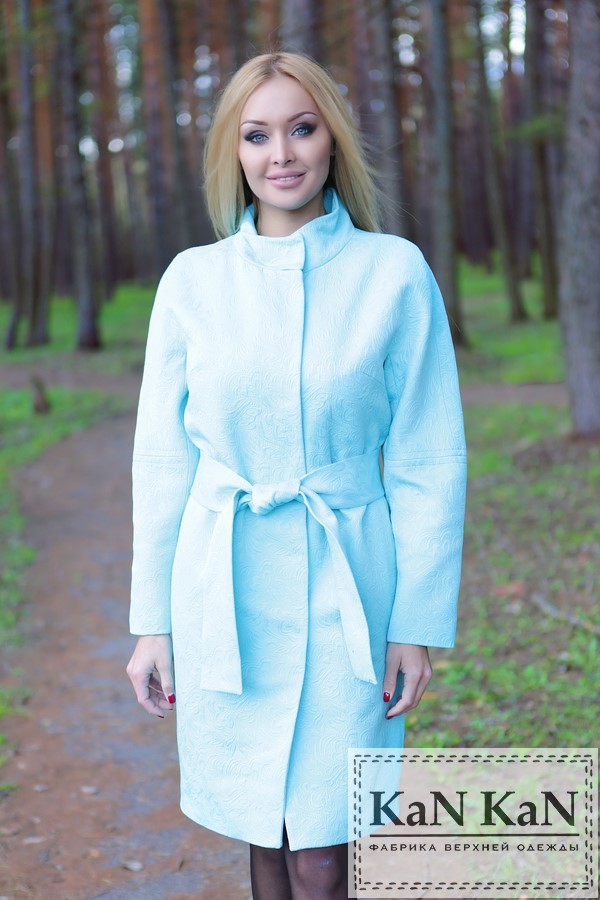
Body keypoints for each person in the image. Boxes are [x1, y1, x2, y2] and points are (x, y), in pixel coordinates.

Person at [126, 50, 467, 899]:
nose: (281, 154)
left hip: (350, 588)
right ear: (233, 153)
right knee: (266, 833)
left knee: (322, 844)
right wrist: (152, 624)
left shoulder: (394, 273)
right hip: (226, 589)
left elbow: (428, 457)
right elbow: (162, 460)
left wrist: (417, 621)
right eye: (257, 135)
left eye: (301, 128)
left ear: (332, 140)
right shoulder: (193, 282)